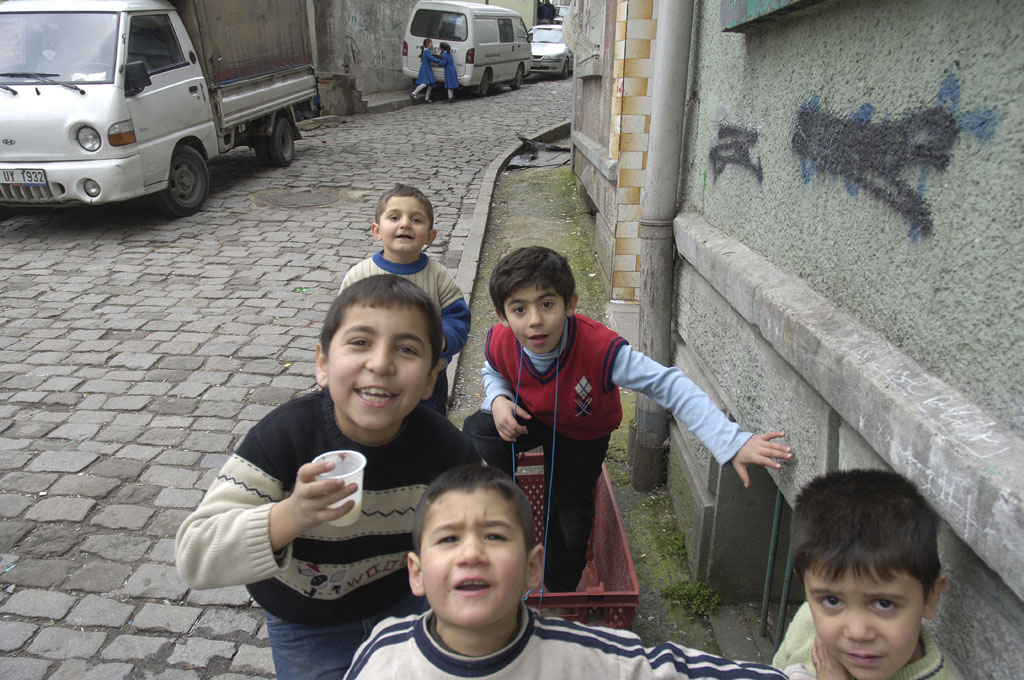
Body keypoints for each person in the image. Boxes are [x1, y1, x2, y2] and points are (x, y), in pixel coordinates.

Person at [175, 275, 481, 679]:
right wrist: (292, 515)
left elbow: (487, 530)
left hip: (403, 608)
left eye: (406, 349)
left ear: (429, 378)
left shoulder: (446, 450)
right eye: (360, 342)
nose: (381, 364)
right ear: (322, 363)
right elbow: (196, 555)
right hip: (305, 623)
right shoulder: (284, 438)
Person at [462, 246, 792, 592]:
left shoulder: (602, 350)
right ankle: (503, 512)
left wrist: (730, 441)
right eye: (519, 309)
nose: (534, 320)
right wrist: (498, 399)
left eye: (547, 304)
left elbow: (669, 385)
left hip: (582, 434)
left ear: (570, 304)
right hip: (531, 415)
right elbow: (493, 370)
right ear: (502, 315)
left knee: (570, 516)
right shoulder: (501, 340)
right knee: (477, 431)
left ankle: (559, 590)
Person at [344, 463, 789, 679]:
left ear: (533, 568)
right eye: (448, 539)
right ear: (417, 573)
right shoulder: (384, 658)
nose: (472, 553)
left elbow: (684, 672)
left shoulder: (589, 660)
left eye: (495, 536)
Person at [772, 469, 962, 680]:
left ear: (930, 596)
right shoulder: (807, 624)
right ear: (805, 584)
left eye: (884, 604)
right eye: (832, 601)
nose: (858, 632)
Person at [339, 184, 470, 415]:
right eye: (394, 217)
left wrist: (442, 338)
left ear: (430, 236)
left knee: (428, 427)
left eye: (416, 219)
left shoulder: (438, 276)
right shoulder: (359, 276)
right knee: (375, 422)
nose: (405, 224)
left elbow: (458, 318)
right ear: (377, 230)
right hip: (372, 374)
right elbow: (340, 325)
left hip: (427, 379)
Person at [411, 38, 441, 103]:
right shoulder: (427, 51)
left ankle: (427, 98)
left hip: (427, 68)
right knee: (424, 83)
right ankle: (413, 93)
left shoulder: (426, 51)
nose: (432, 44)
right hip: (426, 69)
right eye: (431, 43)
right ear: (427, 44)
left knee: (430, 84)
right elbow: (432, 58)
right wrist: (439, 60)